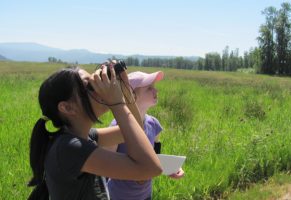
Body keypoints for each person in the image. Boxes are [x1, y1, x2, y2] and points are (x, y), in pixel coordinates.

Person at [28, 64, 162, 200]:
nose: (99, 88)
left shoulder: (84, 136)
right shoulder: (69, 147)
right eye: (90, 86)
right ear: (67, 107)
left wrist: (125, 87)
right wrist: (116, 103)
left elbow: (136, 127)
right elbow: (150, 168)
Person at [106, 71, 185, 200]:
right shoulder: (116, 128)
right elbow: (107, 168)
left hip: (145, 195)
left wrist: (170, 167)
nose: (156, 91)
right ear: (132, 96)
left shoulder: (154, 124)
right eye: (149, 88)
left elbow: (154, 157)